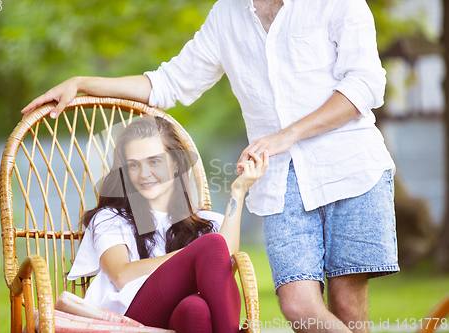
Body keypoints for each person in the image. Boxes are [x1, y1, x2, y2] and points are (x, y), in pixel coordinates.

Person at [22, 0, 399, 332]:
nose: (146, 171)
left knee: (348, 306)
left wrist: (287, 136)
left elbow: (366, 85)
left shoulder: (337, 3)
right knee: (299, 306)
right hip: (280, 181)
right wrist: (84, 83)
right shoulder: (226, 15)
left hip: (352, 168)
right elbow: (167, 83)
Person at [67, 116, 269, 333]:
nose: (144, 174)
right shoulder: (111, 218)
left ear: (175, 163)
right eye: (134, 165)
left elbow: (224, 259)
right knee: (210, 246)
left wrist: (238, 191)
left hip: (180, 315)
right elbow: (122, 276)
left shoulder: (208, 222)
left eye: (154, 161)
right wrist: (192, 257)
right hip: (129, 319)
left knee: (195, 308)